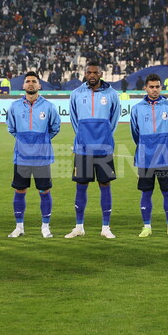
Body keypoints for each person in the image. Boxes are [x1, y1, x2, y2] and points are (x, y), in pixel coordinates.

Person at [65, 63, 120, 239]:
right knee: (81, 185)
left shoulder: (111, 94)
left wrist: (104, 135)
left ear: (101, 74)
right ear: (85, 73)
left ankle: (106, 227)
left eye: (95, 72)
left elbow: (114, 119)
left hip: (103, 147)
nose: (92, 75)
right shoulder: (76, 94)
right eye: (89, 72)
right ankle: (79, 226)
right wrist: (82, 136)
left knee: (105, 184)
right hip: (83, 148)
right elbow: (74, 120)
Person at [7, 71, 60, 239]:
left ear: (39, 85)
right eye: (28, 81)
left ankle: (45, 227)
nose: (30, 84)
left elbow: (55, 127)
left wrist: (41, 140)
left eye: (34, 81)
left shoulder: (48, 106)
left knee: (44, 191)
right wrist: (26, 140)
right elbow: (11, 128)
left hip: (42, 157)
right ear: (23, 86)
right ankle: (19, 226)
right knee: (20, 190)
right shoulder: (15, 106)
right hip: (22, 156)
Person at [130, 74, 168, 238]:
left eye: (157, 86)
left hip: (164, 157)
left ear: (161, 87)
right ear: (145, 88)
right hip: (145, 157)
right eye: (151, 87)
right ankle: (146, 226)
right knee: (146, 192)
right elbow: (135, 133)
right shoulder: (137, 108)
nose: (154, 90)